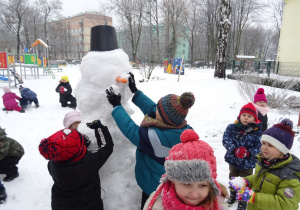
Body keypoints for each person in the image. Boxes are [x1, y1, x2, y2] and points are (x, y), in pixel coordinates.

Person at [106, 72, 195, 209]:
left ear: (165, 119)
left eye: (159, 108)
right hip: (171, 183)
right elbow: (154, 109)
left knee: (149, 206)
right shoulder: (182, 127)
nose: (155, 109)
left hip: (155, 185)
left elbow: (131, 130)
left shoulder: (155, 139)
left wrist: (117, 106)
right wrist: (135, 92)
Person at [143, 129, 228, 210]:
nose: (194, 194)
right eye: (186, 184)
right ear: (172, 180)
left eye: (203, 185)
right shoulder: (157, 205)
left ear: (211, 185)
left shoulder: (219, 206)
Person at [39, 119, 113, 210]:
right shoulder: (89, 162)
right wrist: (99, 128)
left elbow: (67, 154)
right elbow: (106, 147)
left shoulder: (52, 165)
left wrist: (80, 146)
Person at [229, 119, 300, 210]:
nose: (264, 148)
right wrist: (245, 181)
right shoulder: (265, 161)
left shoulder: (290, 175)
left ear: (282, 149)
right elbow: (259, 178)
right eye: (263, 143)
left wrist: (253, 197)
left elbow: (284, 203)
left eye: (270, 145)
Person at [222, 102, 263, 210]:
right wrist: (235, 149)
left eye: (249, 116)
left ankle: (243, 201)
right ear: (240, 116)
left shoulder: (257, 132)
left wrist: (248, 152)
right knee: (233, 178)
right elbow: (226, 140)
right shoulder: (232, 127)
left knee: (245, 182)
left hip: (247, 163)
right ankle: (233, 195)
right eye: (244, 115)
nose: (246, 118)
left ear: (255, 119)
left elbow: (259, 147)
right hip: (233, 160)